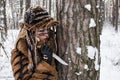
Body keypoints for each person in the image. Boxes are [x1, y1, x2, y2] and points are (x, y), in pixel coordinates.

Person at [11, 6, 59, 80]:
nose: (47, 35)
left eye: (48, 29)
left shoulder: (52, 43)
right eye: (41, 31)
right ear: (32, 32)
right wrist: (46, 62)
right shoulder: (21, 52)